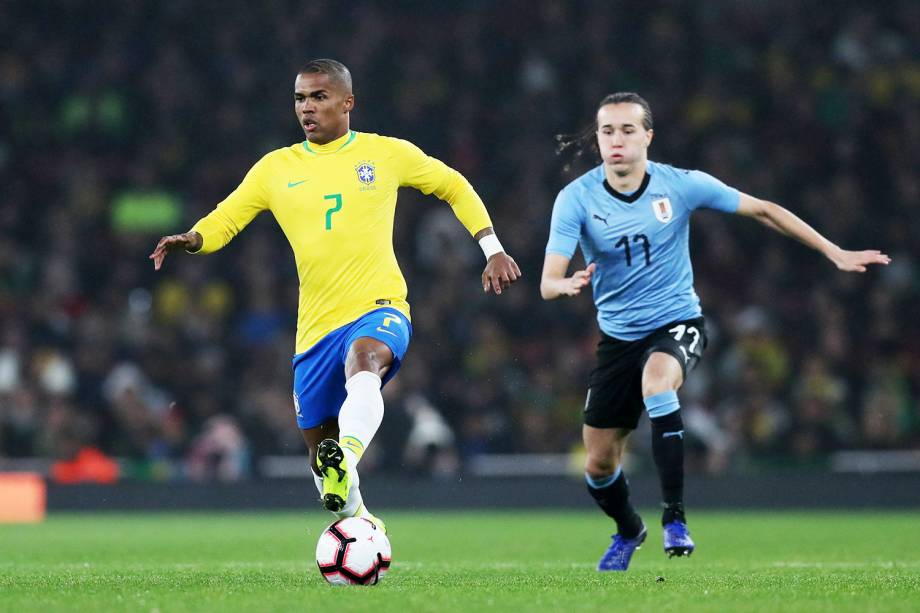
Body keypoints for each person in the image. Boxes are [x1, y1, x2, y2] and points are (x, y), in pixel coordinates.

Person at [150, 59, 521, 530]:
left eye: (319, 97)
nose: (307, 107)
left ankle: (346, 452)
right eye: (300, 98)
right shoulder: (275, 168)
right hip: (315, 329)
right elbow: (227, 218)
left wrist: (493, 248)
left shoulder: (385, 153)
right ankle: (361, 520)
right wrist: (193, 238)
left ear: (348, 103)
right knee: (319, 459)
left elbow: (454, 185)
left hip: (379, 306)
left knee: (364, 361)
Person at [540, 92, 889, 571]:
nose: (616, 140)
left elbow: (763, 209)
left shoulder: (681, 186)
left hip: (676, 321)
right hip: (618, 338)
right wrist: (564, 284)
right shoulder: (576, 198)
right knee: (598, 464)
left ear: (648, 136)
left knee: (658, 384)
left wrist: (834, 251)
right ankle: (629, 529)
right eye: (607, 131)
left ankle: (675, 519)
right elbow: (548, 281)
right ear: (597, 139)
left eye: (627, 130)